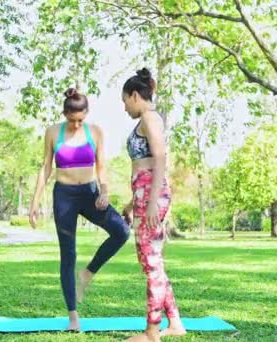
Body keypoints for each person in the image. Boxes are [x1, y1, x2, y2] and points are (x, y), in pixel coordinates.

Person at [28, 88, 130, 331]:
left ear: (86, 115)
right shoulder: (53, 132)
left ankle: (88, 273)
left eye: (80, 120)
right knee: (68, 255)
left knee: (121, 231)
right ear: (64, 114)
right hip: (64, 196)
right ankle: (73, 316)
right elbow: (46, 168)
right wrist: (35, 202)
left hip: (90, 193)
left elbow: (102, 166)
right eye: (71, 120)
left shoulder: (95, 132)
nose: (75, 125)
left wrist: (105, 192)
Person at [121, 69, 186, 342]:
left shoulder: (149, 118)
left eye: (125, 101)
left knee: (151, 263)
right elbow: (145, 163)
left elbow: (160, 158)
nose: (124, 108)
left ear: (135, 95)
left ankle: (151, 333)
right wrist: (132, 203)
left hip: (151, 194)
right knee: (153, 261)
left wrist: (150, 204)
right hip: (143, 193)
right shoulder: (147, 119)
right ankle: (176, 324)